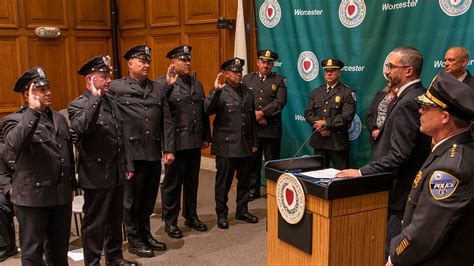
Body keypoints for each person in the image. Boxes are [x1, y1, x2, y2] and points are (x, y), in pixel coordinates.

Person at [336, 46, 431, 257]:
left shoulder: (408, 102)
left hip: (398, 189)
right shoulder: (408, 96)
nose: (386, 71)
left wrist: (361, 172)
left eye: (391, 66)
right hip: (396, 186)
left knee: (393, 249)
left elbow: (399, 154)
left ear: (408, 70)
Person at [387, 72, 474, 265]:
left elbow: (424, 234)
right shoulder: (449, 150)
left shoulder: (451, 167)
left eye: (426, 107)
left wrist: (395, 257)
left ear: (445, 116)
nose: (420, 111)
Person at [1, 66, 76, 265]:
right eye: (42, 90)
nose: (48, 92)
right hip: (32, 199)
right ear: (28, 94)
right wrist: (33, 111)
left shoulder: (59, 118)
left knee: (59, 251)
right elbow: (13, 144)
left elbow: (66, 154)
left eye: (48, 88)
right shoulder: (13, 120)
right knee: (33, 253)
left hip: (60, 196)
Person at [68, 56, 137, 266]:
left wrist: (128, 164)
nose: (109, 80)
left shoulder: (111, 100)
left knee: (115, 219)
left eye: (109, 75)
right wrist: (95, 100)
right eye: (104, 76)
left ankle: (115, 257)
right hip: (96, 174)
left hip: (115, 171)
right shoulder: (77, 105)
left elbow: (120, 136)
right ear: (90, 79)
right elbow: (82, 128)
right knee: (95, 223)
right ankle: (93, 262)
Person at [109, 45, 175, 258]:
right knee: (131, 201)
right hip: (131, 154)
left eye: (147, 61)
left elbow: (166, 119)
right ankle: (134, 239)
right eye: (141, 61)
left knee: (148, 199)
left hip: (152, 152)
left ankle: (146, 234)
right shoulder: (117, 87)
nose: (146, 65)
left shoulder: (157, 87)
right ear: (130, 64)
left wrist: (168, 148)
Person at [156, 45, 211, 239]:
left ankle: (191, 216)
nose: (187, 63)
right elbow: (159, 114)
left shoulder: (197, 84)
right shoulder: (163, 84)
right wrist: (166, 146)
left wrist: (206, 137)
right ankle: (170, 222)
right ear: (173, 63)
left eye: (189, 59)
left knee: (192, 182)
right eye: (182, 60)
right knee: (172, 184)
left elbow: (202, 113)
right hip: (176, 143)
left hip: (194, 141)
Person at [204, 57, 259, 229]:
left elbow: (251, 120)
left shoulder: (248, 92)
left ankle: (242, 210)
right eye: (234, 72)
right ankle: (221, 213)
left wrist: (254, 142)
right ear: (226, 74)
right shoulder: (220, 91)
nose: (237, 74)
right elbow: (206, 110)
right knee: (224, 182)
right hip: (226, 145)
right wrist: (217, 91)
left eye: (239, 71)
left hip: (244, 144)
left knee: (244, 180)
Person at [242, 49, 287, 201]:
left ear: (273, 64)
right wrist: (254, 114)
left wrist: (262, 113)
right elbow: (243, 101)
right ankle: (253, 190)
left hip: (271, 128)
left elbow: (280, 102)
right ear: (258, 62)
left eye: (269, 62)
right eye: (263, 61)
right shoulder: (248, 79)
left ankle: (273, 191)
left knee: (272, 161)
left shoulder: (279, 80)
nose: (266, 65)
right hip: (253, 129)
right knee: (252, 161)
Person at [304, 58, 356, 169]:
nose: (329, 73)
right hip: (319, 141)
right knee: (317, 177)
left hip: (337, 143)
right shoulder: (316, 92)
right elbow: (308, 113)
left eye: (333, 70)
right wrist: (320, 127)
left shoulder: (347, 92)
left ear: (339, 72)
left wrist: (326, 123)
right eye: (326, 70)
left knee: (341, 179)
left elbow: (347, 117)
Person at [365, 86, 397, 157]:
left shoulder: (401, 98)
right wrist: (373, 129)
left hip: (389, 140)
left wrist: (381, 132)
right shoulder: (380, 94)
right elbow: (370, 114)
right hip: (375, 138)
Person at [0, 133, 18, 262]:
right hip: (14, 192)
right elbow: (2, 174)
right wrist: (9, 188)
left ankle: (45, 246)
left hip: (37, 191)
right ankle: (7, 246)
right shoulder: (2, 150)